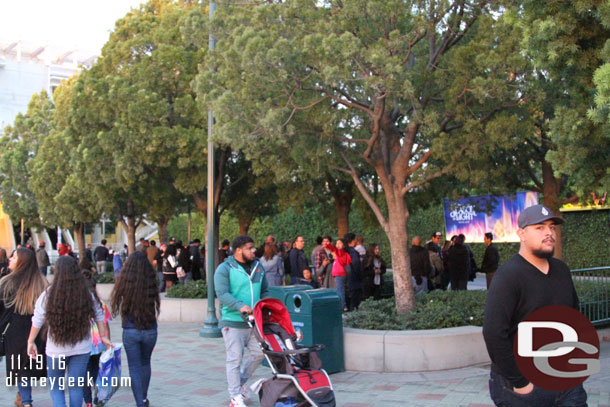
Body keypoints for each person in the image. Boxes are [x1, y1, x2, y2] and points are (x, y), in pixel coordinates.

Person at [482, 204, 586, 406]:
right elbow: (494, 333)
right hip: (523, 386)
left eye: (552, 227)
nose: (549, 233)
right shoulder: (508, 276)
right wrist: (520, 382)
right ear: (521, 234)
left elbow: (574, 318)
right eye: (540, 227)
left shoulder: (562, 270)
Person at [27, 255, 112, 407]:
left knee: (56, 387)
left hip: (56, 349)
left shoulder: (48, 294)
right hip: (81, 348)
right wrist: (103, 336)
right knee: (75, 387)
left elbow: (37, 319)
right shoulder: (86, 293)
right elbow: (99, 313)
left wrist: (30, 341)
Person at [214, 235, 269, 407]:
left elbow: (265, 290)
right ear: (238, 250)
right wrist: (240, 306)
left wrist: (264, 305)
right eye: (250, 248)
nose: (254, 250)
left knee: (260, 353)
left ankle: (239, 383)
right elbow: (222, 294)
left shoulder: (258, 267)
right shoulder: (224, 269)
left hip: (254, 322)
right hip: (232, 321)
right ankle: (235, 397)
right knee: (234, 359)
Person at [111, 251, 160, 407]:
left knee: (134, 367)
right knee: (145, 363)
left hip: (130, 330)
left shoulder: (124, 281)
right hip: (150, 329)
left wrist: (115, 257)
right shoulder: (151, 280)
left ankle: (140, 402)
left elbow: (117, 271)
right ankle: (144, 398)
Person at [0, 248, 48, 407]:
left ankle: (26, 402)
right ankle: (23, 397)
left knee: (21, 369)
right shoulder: (41, 282)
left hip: (15, 331)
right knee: (28, 367)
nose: (10, 260)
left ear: (21, 262)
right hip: (38, 330)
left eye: (13, 258)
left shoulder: (7, 283)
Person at [82, 270, 112, 407]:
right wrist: (107, 343)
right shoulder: (100, 304)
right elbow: (105, 325)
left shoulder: (79, 304)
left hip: (84, 345)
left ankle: (88, 401)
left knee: (84, 374)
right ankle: (97, 392)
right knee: (95, 370)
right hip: (99, 343)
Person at [327, 238, 352, 312]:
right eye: (336, 243)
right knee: (341, 290)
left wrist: (327, 245)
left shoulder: (341, 252)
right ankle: (344, 305)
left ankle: (342, 306)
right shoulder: (341, 253)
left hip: (340, 274)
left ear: (344, 245)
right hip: (339, 274)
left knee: (340, 290)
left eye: (339, 243)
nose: (337, 245)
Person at [344, 233, 364, 311]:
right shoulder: (353, 252)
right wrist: (360, 277)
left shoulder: (344, 252)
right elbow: (356, 266)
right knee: (355, 303)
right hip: (354, 280)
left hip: (346, 279)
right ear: (352, 241)